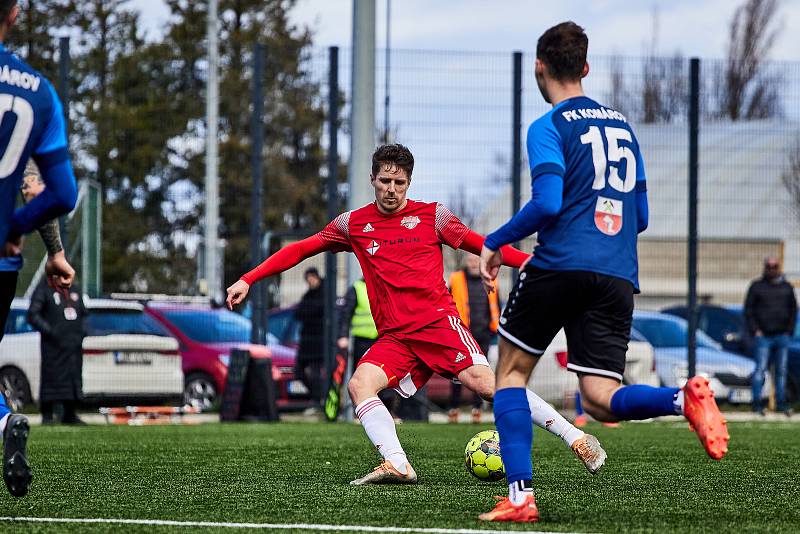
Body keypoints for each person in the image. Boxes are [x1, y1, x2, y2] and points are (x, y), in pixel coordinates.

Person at [228, 143, 606, 485]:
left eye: (400, 182)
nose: (391, 189)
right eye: (385, 181)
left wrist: (533, 265)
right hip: (396, 337)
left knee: (490, 386)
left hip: (438, 324)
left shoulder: (433, 216)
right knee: (360, 384)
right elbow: (301, 250)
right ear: (372, 179)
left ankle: (577, 439)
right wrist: (249, 278)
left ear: (409, 182)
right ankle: (397, 463)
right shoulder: (352, 225)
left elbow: (483, 246)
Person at [478, 22, 729, 522]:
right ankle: (683, 399)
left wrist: (495, 240)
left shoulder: (548, 125)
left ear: (539, 67)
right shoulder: (623, 128)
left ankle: (521, 497)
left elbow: (547, 203)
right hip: (617, 273)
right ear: (586, 68)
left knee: (508, 374)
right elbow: (645, 216)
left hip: (560, 263)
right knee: (599, 398)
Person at [0, 0, 79, 498]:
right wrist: (35, 238)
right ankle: (5, 420)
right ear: (14, 13)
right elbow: (55, 190)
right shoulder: (38, 91)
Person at [27, 277, 88, 425]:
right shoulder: (44, 288)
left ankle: (70, 414)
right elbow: (33, 315)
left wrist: (81, 333)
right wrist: (51, 332)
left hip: (73, 346)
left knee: (73, 377)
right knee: (51, 378)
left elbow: (84, 313)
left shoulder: (74, 288)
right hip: (53, 347)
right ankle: (47, 414)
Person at [447, 255, 499, 423]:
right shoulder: (456, 279)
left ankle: (477, 409)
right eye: (471, 260)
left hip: (483, 334)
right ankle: (453, 408)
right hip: (461, 334)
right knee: (458, 372)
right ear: (466, 262)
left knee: (482, 373)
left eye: (476, 260)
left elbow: (495, 305)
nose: (473, 263)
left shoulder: (490, 279)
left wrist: (494, 329)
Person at [744, 257, 797, 416]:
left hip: (782, 335)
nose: (772, 269)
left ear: (779, 268)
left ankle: (781, 403)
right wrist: (755, 330)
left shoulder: (787, 287)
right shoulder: (757, 286)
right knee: (760, 369)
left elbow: (793, 310)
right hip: (763, 336)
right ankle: (757, 403)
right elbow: (748, 310)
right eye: (769, 266)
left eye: (775, 266)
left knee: (781, 370)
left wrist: (789, 330)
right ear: (765, 267)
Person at [294, 267, 325, 411]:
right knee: (298, 371)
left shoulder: (325, 293)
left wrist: (309, 312)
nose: (310, 281)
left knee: (316, 372)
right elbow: (298, 313)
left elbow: (318, 310)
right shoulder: (308, 295)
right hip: (307, 341)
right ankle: (315, 397)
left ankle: (319, 400)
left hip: (320, 340)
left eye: (312, 278)